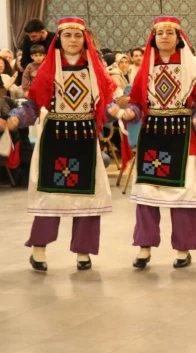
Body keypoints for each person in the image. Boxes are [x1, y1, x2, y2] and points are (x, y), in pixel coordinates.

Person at [4, 17, 117, 271]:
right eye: (67, 35)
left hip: (86, 139)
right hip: (55, 139)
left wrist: (116, 111)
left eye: (77, 35)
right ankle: (39, 250)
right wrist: (16, 118)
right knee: (50, 196)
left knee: (87, 197)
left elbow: (105, 107)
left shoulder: (94, 69)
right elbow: (33, 106)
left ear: (85, 39)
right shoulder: (49, 68)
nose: (73, 40)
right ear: (59, 39)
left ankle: (83, 253)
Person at [122, 16, 196, 269]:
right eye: (160, 33)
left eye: (169, 33)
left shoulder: (190, 67)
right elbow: (137, 103)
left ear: (178, 38)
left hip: (183, 136)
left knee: (183, 195)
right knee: (147, 194)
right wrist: (130, 113)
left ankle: (183, 249)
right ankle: (144, 248)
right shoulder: (145, 68)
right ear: (153, 38)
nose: (164, 36)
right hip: (152, 136)